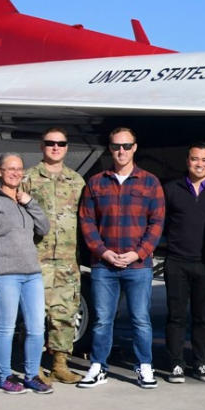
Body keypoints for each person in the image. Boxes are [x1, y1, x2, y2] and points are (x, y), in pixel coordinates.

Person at [76, 127, 165, 389]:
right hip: (104, 264)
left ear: (135, 147)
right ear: (110, 148)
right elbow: (87, 222)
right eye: (116, 146)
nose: (121, 151)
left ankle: (145, 367)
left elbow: (157, 223)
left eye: (126, 146)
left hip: (138, 265)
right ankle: (98, 366)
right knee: (103, 319)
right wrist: (103, 251)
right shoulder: (96, 182)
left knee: (141, 318)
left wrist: (138, 252)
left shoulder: (150, 182)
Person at [0, 154, 52, 395]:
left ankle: (32, 375)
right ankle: (4, 376)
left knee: (36, 328)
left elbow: (44, 228)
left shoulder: (25, 200)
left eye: (18, 169)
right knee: (6, 327)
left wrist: (30, 202)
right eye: (9, 169)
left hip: (32, 274)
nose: (15, 173)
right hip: (5, 274)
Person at [19, 127, 86, 384]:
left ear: (67, 147)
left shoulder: (76, 180)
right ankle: (32, 365)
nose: (55, 147)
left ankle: (60, 364)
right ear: (42, 146)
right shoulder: (29, 178)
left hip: (68, 260)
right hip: (38, 258)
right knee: (35, 316)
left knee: (66, 314)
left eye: (60, 143)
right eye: (50, 143)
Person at [161, 143, 205, 383]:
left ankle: (201, 362)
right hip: (176, 262)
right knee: (176, 316)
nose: (200, 164)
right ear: (188, 161)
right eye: (195, 159)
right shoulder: (171, 189)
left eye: (204, 160)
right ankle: (176, 363)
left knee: (201, 316)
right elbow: (160, 223)